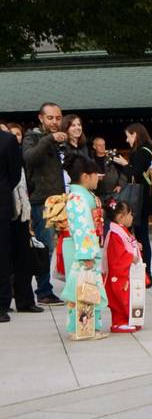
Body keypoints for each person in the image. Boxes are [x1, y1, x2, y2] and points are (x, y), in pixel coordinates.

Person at [22, 102, 68, 304]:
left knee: (61, 246)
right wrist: (50, 139)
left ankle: (51, 287)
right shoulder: (32, 137)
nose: (55, 122)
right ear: (41, 118)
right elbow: (29, 158)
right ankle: (43, 290)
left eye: (58, 118)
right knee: (45, 246)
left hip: (60, 200)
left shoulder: (60, 140)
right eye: (50, 118)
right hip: (41, 200)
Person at [61, 153, 107, 338]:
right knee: (82, 289)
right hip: (81, 250)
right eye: (96, 174)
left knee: (88, 289)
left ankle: (88, 327)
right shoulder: (78, 199)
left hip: (83, 248)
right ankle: (81, 329)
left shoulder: (81, 195)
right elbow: (82, 228)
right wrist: (86, 255)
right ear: (86, 176)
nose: (99, 177)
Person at [0, 124, 42, 323]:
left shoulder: (7, 141)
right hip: (7, 200)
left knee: (22, 253)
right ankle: (2, 304)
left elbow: (15, 173)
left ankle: (24, 299)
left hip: (14, 203)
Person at [103, 197, 145, 333]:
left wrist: (136, 246)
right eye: (130, 214)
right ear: (121, 217)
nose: (132, 217)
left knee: (130, 296)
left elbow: (128, 244)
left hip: (126, 272)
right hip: (119, 274)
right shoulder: (115, 234)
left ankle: (129, 319)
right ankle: (119, 322)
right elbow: (117, 255)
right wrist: (129, 257)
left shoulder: (120, 231)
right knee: (121, 297)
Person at [123, 124, 152, 284]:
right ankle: (146, 273)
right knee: (143, 235)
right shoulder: (150, 149)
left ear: (135, 134)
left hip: (139, 199)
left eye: (128, 136)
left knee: (136, 236)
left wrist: (123, 164)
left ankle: (144, 274)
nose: (127, 140)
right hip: (147, 196)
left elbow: (134, 174)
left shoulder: (140, 152)